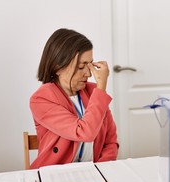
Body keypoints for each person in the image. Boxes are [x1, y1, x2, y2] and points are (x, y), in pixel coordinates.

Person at [29, 28, 119, 169]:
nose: (89, 73)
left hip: (94, 173)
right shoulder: (41, 99)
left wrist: (101, 170)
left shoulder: (94, 92)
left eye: (90, 65)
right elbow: (84, 132)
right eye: (81, 67)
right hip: (55, 175)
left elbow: (111, 142)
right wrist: (101, 88)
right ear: (57, 67)